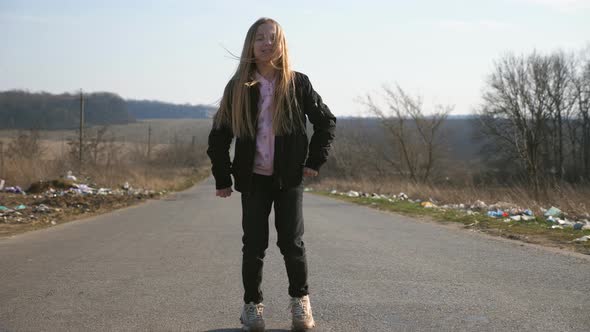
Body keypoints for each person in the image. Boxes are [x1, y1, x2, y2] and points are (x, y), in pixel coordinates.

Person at [207, 17, 336, 331]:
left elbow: (326, 122)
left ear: (282, 44)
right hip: (253, 180)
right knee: (253, 245)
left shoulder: (297, 83)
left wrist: (314, 161)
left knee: (292, 243)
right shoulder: (238, 86)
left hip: (288, 179)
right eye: (260, 38)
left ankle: (300, 304)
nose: (267, 43)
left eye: (273, 38)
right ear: (251, 44)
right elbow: (219, 135)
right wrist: (223, 178)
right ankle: (252, 306)